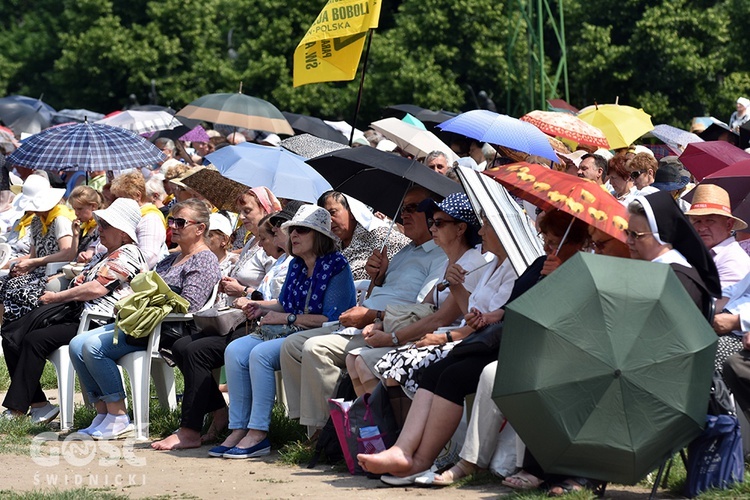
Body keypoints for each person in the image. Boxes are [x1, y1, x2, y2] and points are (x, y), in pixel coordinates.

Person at [356, 210, 590, 484]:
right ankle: (403, 451)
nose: (548, 247)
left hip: (532, 348)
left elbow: (563, 318)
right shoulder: (539, 263)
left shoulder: (581, 271)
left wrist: (559, 280)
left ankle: (422, 460)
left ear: (576, 244)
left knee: (454, 375)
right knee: (436, 372)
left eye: (554, 242)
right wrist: (491, 315)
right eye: (545, 239)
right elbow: (511, 308)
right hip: (502, 338)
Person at [280, 186, 447, 434]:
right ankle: (306, 426)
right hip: (363, 320)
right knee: (291, 346)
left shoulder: (441, 256)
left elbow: (423, 310)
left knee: (314, 348)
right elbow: (375, 295)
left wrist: (371, 316)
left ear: (433, 214)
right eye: (403, 209)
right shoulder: (404, 252)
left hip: (386, 327)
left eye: (413, 208)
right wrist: (377, 279)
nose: (404, 215)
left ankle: (330, 434)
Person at [209, 205, 356, 459]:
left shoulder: (336, 266)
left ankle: (258, 433)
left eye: (301, 230)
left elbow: (332, 318)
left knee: (261, 355)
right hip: (289, 330)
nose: (293, 235)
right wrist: (260, 307)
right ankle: (238, 428)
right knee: (234, 350)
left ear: (319, 235)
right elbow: (284, 303)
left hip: (321, 332)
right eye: (292, 230)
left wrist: (285, 317)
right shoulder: (297, 265)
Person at [69, 199, 221, 440]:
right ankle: (104, 414)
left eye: (180, 222)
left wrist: (149, 294)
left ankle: (118, 417)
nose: (174, 227)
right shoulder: (170, 259)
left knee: (93, 347)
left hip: (169, 329)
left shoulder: (203, 259)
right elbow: (144, 288)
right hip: (145, 323)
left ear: (200, 228)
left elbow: (190, 304)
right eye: (171, 221)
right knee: (77, 344)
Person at [150, 206, 295, 451]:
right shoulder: (280, 262)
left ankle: (191, 430)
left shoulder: (291, 264)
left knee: (196, 351)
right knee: (182, 345)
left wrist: (247, 295)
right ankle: (221, 414)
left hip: (261, 326)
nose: (259, 244)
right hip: (249, 321)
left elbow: (284, 303)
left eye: (265, 238)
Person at [1, 198, 148, 422]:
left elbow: (97, 288)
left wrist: (56, 297)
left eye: (107, 226)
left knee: (34, 339)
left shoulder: (129, 253)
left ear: (125, 234)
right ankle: (37, 404)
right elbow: (81, 279)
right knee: (13, 333)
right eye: (101, 224)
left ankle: (23, 408)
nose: (101, 229)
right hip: (78, 315)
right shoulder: (104, 254)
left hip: (99, 323)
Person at [347, 193, 488, 396]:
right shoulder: (450, 262)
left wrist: (392, 338)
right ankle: (375, 423)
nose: (432, 228)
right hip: (432, 334)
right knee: (354, 360)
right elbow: (424, 308)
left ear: (460, 228)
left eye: (439, 223)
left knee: (365, 362)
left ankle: (389, 425)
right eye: (431, 222)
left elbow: (440, 317)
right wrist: (382, 323)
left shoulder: (470, 264)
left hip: (452, 341)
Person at [0, 175, 76, 323]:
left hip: (55, 272)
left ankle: (13, 329)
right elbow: (32, 254)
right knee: (3, 283)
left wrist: (33, 262)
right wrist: (20, 266)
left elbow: (67, 253)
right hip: (38, 270)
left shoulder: (60, 219)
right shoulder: (36, 221)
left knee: (14, 291)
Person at [317, 190, 410, 280]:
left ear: (352, 212)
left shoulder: (379, 235)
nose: (329, 220)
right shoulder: (331, 247)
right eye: (325, 216)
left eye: (333, 212)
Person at [219, 187, 280, 302]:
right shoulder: (251, 242)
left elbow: (273, 294)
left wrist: (241, 290)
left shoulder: (272, 246)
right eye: (240, 212)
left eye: (247, 211)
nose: (241, 217)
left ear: (265, 210)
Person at [684, 184, 750, 289]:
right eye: (696, 221)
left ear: (728, 225)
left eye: (710, 221)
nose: (701, 228)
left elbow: (717, 302)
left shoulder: (733, 260)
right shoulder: (702, 253)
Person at [109, 171, 168, 268]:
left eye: (122, 197)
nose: (118, 202)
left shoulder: (150, 218)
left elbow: (148, 257)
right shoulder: (130, 215)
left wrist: (117, 268)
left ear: (137, 195)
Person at [68, 186, 103, 263]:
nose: (76, 213)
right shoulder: (83, 228)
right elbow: (72, 259)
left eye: (80, 209)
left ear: (93, 206)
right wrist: (75, 236)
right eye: (75, 209)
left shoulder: (101, 228)